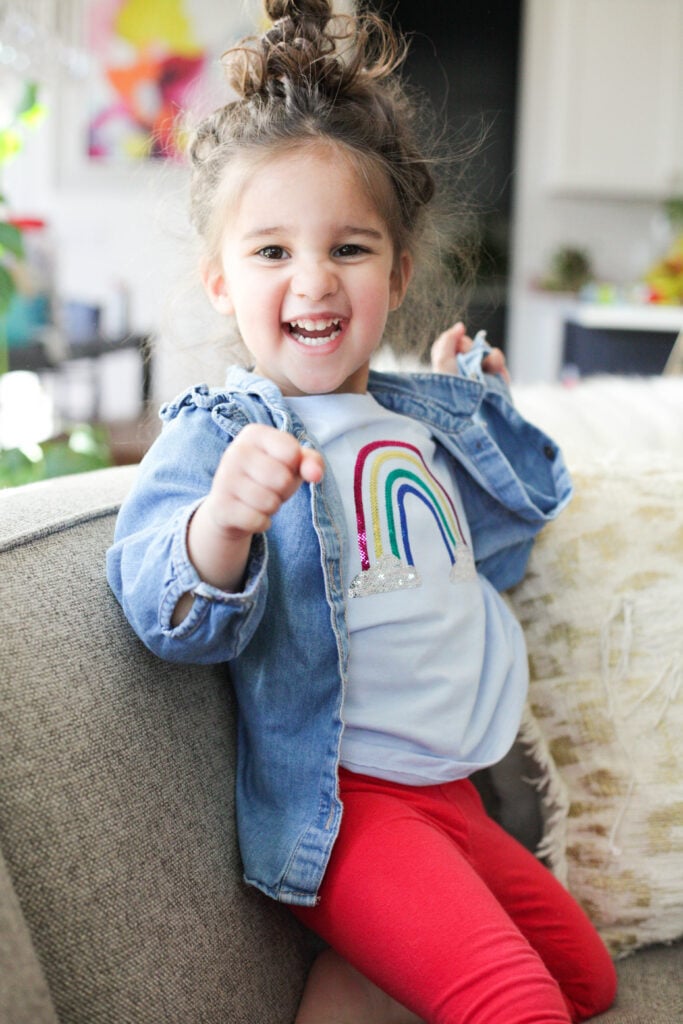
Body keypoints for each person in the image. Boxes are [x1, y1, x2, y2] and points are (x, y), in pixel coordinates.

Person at [107, 2, 617, 1021]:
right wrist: (226, 523)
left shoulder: (415, 420)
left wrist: (480, 416)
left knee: (589, 982)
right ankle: (366, 937)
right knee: (522, 1005)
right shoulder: (226, 432)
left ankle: (353, 978)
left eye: (348, 247)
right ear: (218, 281)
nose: (312, 279)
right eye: (269, 253)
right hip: (351, 812)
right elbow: (156, 601)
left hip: (456, 802)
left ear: (398, 271)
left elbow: (495, 557)